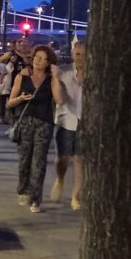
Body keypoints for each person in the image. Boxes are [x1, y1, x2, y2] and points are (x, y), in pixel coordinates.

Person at [7, 45, 62, 213]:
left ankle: (35, 199)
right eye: (37, 57)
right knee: (25, 160)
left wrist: (57, 78)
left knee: (39, 162)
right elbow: (10, 102)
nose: (38, 61)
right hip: (25, 122)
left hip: (43, 123)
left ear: (49, 62)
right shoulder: (22, 76)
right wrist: (21, 98)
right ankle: (22, 189)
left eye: (43, 59)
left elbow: (59, 99)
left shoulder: (50, 79)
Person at [52, 42, 85, 210]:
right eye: (77, 54)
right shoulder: (63, 72)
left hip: (85, 121)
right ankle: (60, 178)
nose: (80, 58)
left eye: (83, 54)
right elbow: (60, 100)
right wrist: (57, 80)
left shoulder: (94, 74)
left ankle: (75, 196)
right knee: (63, 159)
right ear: (72, 54)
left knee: (80, 160)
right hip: (66, 119)